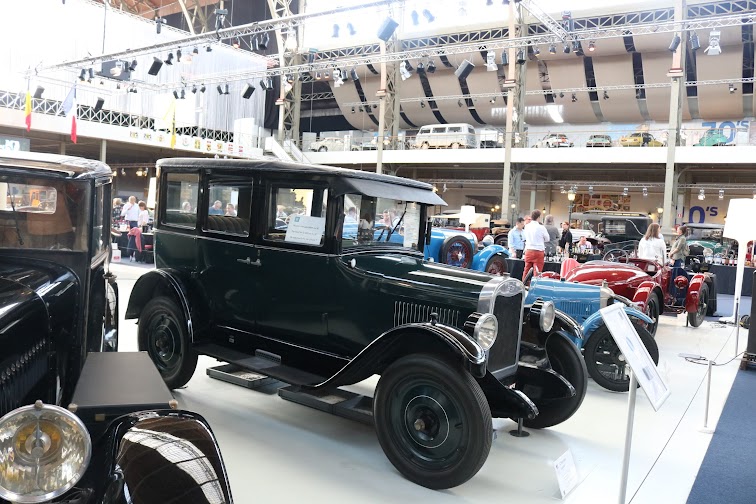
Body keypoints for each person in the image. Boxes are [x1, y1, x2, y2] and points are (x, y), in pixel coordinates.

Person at [522, 209, 550, 282]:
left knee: (526, 269)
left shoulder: (527, 226)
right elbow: (547, 239)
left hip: (528, 250)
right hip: (538, 250)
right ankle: (535, 285)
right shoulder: (541, 227)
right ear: (539, 217)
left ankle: (524, 284)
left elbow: (524, 237)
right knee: (537, 271)